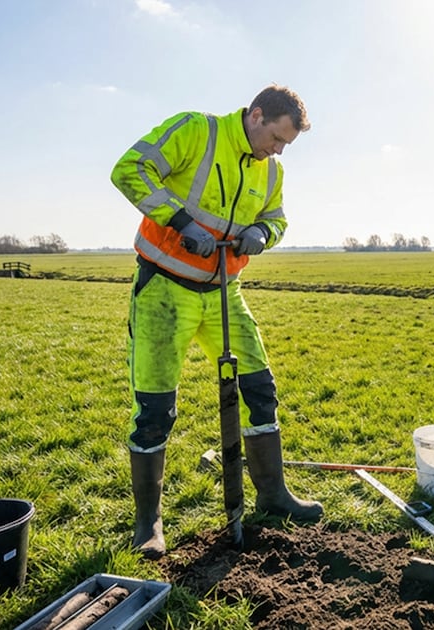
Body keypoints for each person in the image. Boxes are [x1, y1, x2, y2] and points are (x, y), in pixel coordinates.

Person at [110, 85, 322, 560]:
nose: (279, 150)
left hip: (225, 292)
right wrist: (180, 221)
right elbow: (129, 169)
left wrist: (261, 233)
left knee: (259, 390)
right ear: (256, 114)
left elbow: (278, 218)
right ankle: (149, 523)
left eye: (286, 144)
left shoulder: (272, 171)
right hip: (165, 290)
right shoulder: (197, 131)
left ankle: (273, 495)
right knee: (155, 411)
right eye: (277, 137)